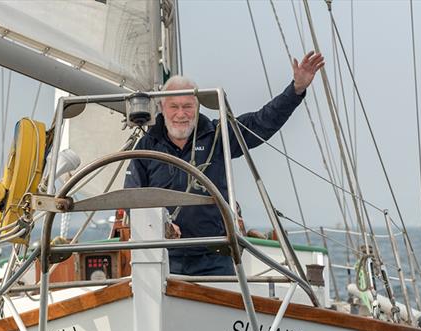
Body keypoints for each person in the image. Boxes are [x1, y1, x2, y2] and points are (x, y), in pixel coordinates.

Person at [124, 52, 324, 276]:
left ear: (198, 106)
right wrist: (159, 225)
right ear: (162, 107)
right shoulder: (146, 147)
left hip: (215, 257)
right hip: (164, 256)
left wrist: (295, 90)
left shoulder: (218, 136)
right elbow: (132, 198)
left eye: (187, 106)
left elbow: (261, 122)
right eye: (174, 106)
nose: (181, 114)